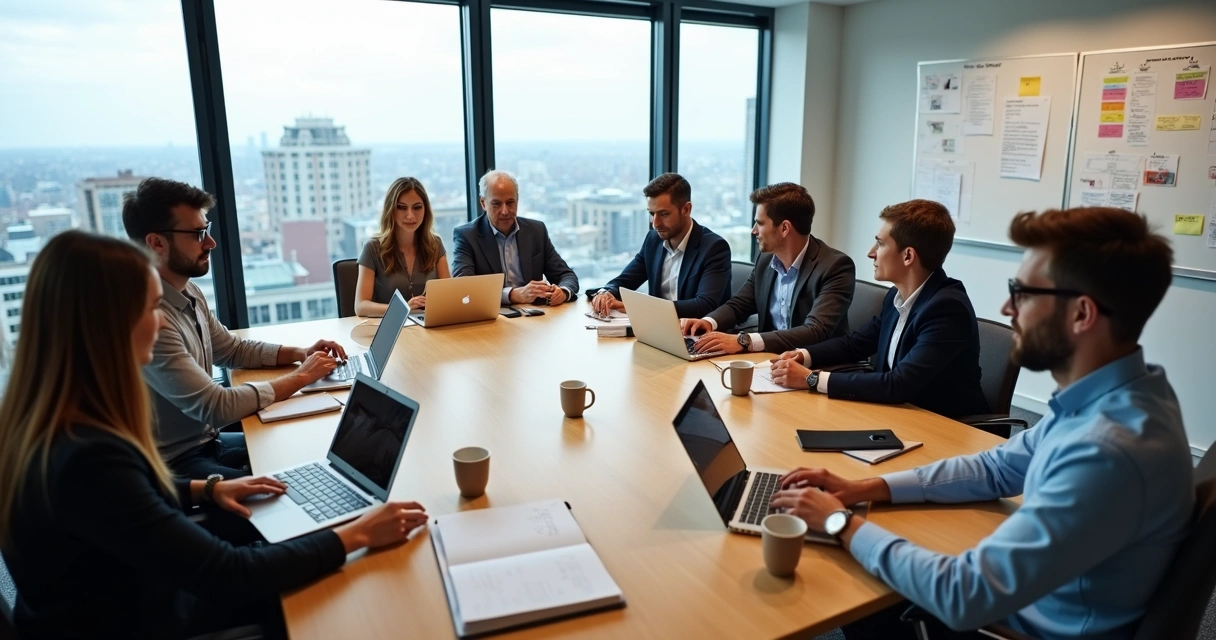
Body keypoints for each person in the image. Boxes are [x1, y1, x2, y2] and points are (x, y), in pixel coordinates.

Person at [771, 207, 1191, 639]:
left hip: (1016, 627)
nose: (1008, 308)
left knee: (846, 583)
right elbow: (995, 468)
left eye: (1023, 292)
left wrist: (842, 522)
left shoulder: (1105, 450)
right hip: (1025, 601)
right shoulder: (1117, 398)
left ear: (1082, 315)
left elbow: (964, 594)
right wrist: (865, 488)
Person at [0, 230, 428, 640]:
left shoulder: (50, 421)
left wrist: (204, 490)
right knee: (334, 594)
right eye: (151, 308)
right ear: (107, 326)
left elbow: (121, 503)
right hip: (141, 621)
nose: (161, 321)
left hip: (108, 602)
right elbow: (230, 576)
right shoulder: (89, 455)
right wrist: (358, 533)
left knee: (284, 527)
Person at [123, 178, 345, 479]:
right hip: (174, 465)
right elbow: (215, 406)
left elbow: (231, 349)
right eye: (198, 233)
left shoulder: (188, 291)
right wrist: (303, 376)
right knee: (293, 484)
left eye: (207, 230)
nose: (211, 242)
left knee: (313, 453)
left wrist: (299, 353)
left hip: (207, 442)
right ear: (157, 243)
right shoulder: (150, 319)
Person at [769, 199, 989, 419]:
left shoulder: (947, 309)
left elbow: (899, 383)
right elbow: (855, 344)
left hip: (945, 427)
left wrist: (812, 379)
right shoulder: (897, 295)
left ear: (908, 256)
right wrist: (804, 355)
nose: (871, 253)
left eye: (880, 244)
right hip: (897, 414)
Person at [681, 182, 855, 355]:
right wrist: (708, 323)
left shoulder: (835, 267)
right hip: (769, 360)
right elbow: (739, 305)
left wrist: (744, 341)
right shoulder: (766, 260)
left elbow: (815, 331)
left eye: (760, 223)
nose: (753, 231)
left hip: (817, 366)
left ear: (784, 228)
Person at [590, 172, 732, 319]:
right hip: (658, 329)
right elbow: (624, 281)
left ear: (686, 209)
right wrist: (606, 292)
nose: (655, 223)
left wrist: (639, 308)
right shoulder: (653, 240)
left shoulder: (714, 248)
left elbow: (705, 305)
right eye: (652, 214)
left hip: (699, 333)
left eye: (664, 214)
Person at [452, 169, 580, 305]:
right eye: (496, 204)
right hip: (492, 317)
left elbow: (567, 276)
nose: (505, 211)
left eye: (510, 202)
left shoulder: (536, 231)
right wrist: (513, 295)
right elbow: (463, 289)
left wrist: (563, 292)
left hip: (534, 316)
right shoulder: (467, 236)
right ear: (483, 203)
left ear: (517, 200)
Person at [355, 176, 451, 316]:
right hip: (389, 329)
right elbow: (361, 306)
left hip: (428, 326)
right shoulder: (372, 248)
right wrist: (404, 308)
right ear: (391, 210)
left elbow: (449, 295)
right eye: (402, 208)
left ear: (426, 210)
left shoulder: (435, 244)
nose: (410, 215)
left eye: (417, 207)